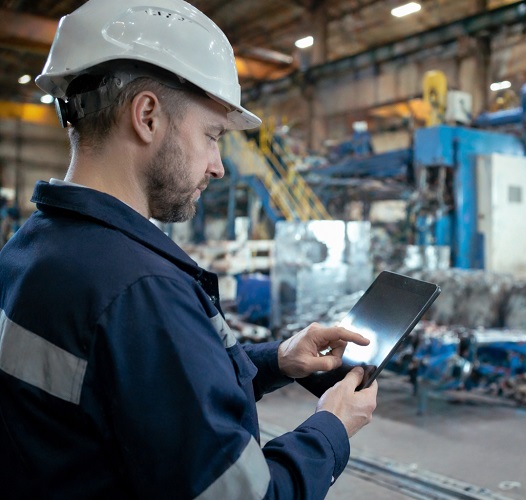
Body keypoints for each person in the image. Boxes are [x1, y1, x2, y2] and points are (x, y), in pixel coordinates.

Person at [0, 0, 378, 498]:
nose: (218, 166)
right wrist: (332, 426)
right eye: (212, 135)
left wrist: (277, 359)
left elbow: (148, 392)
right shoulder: (140, 291)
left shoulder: (30, 248)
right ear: (147, 116)